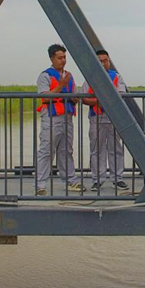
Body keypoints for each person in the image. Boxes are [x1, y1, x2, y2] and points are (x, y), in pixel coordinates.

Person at [36, 44, 85, 196]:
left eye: (64, 57)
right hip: (51, 117)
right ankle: (40, 185)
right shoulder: (45, 76)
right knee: (46, 150)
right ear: (52, 58)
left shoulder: (69, 76)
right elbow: (45, 96)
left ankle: (71, 180)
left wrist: (75, 98)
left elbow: (73, 95)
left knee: (66, 151)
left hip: (67, 118)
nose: (63, 60)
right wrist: (61, 85)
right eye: (60, 58)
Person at [80, 49, 130, 193]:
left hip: (114, 118)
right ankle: (97, 180)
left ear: (109, 61)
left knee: (116, 149)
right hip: (96, 118)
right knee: (97, 149)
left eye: (105, 60)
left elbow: (120, 96)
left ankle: (117, 178)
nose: (103, 63)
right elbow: (84, 98)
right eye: (100, 61)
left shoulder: (117, 78)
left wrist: (99, 99)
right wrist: (102, 101)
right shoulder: (89, 78)